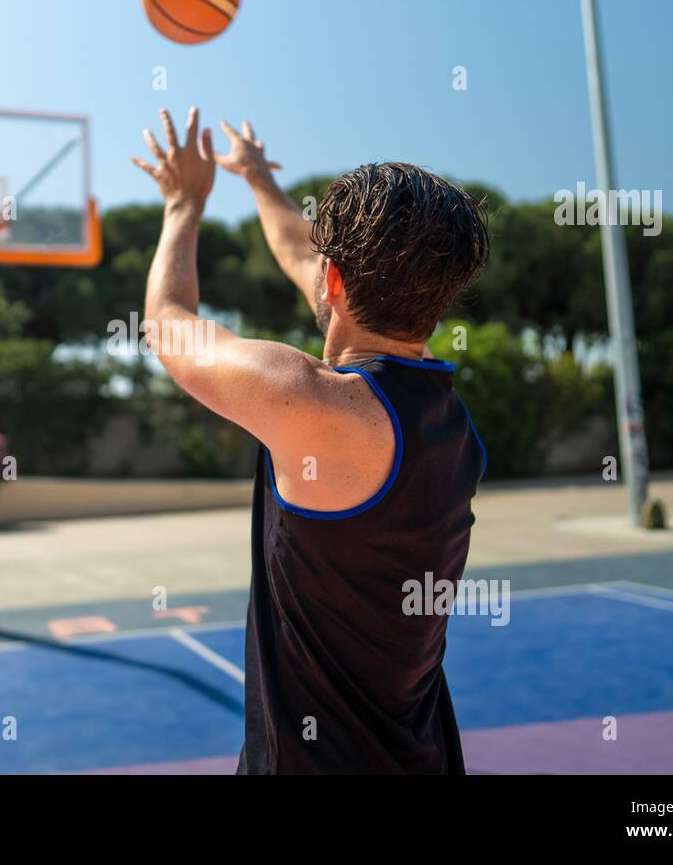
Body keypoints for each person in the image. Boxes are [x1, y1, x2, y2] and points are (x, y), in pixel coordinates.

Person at [133, 107, 490, 773]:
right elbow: (308, 260)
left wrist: (184, 204)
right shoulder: (451, 424)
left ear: (335, 285)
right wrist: (259, 179)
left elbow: (168, 326)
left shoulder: (314, 401)